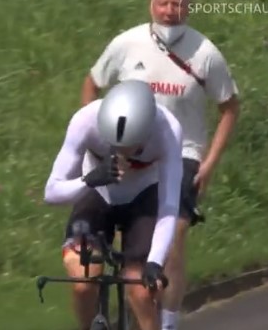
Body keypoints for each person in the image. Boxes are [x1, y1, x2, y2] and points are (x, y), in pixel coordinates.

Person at [79, 0, 240, 329]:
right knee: (128, 229)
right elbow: (92, 83)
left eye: (178, 4)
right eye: (163, 3)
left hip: (182, 151)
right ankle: (129, 308)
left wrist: (209, 163)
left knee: (173, 236)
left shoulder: (205, 54)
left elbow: (229, 106)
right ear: (152, 3)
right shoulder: (127, 44)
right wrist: (96, 141)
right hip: (128, 147)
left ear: (189, 6)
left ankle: (167, 321)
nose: (170, 12)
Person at [43, 79, 184, 330]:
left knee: (142, 292)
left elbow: (169, 205)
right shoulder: (85, 120)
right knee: (83, 284)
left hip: (144, 197)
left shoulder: (168, 130)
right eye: (112, 144)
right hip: (97, 193)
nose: (121, 152)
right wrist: (89, 180)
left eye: (130, 147)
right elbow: (51, 192)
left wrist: (154, 261)